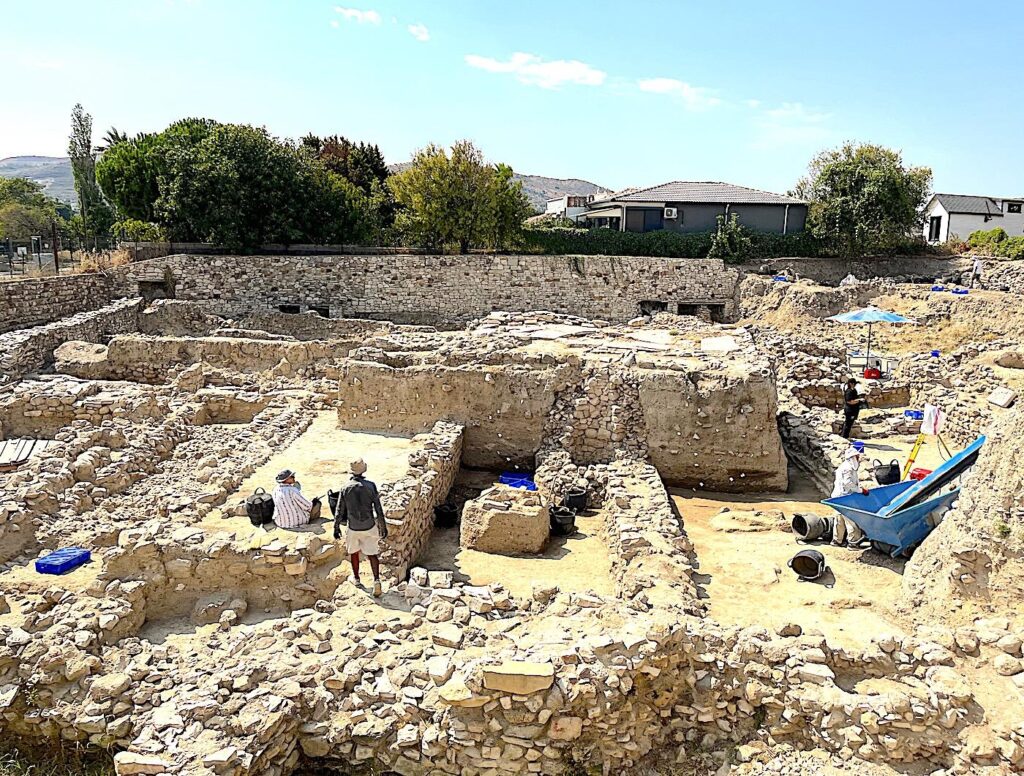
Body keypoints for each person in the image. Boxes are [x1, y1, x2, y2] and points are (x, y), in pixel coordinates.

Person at [333, 458, 389, 596]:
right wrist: (383, 525)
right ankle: (376, 580)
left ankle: (357, 579)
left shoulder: (345, 488)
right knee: (372, 553)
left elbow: (339, 509)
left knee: (354, 553)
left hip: (353, 527)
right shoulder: (370, 486)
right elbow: (378, 508)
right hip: (369, 525)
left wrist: (336, 527)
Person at [831, 447, 868, 548]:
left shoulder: (843, 466)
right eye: (857, 457)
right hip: (845, 497)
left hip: (837, 497)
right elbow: (848, 484)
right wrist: (860, 490)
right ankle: (853, 542)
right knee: (852, 520)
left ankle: (837, 540)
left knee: (839, 520)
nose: (859, 458)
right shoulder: (848, 468)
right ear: (853, 457)